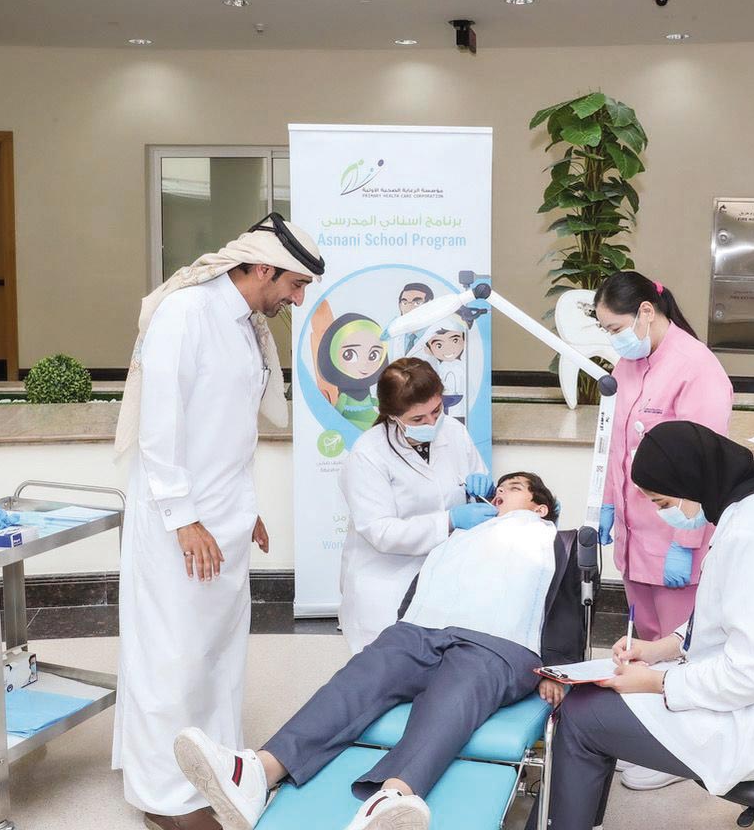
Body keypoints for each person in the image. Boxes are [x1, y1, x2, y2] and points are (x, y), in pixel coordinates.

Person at [173, 473, 584, 830]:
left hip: (497, 643)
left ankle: (392, 800)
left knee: (453, 698)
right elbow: (422, 590)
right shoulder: (462, 533)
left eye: (512, 489)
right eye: (496, 490)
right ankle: (257, 772)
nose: (498, 495)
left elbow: (566, 607)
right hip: (421, 630)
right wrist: (403, 633)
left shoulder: (553, 539)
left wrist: (560, 671)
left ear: (541, 507)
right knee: (360, 678)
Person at [111, 213, 324, 830]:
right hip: (178, 517)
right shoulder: (187, 313)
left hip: (223, 512)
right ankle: (163, 798)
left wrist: (242, 508)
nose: (297, 297)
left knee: (217, 654)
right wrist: (184, 518)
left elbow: (224, 426)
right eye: (294, 283)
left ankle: (216, 776)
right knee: (171, 656)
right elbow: (162, 424)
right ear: (261, 267)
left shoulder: (247, 325)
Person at [539, 421, 754, 830]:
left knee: (581, 718)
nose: (663, 513)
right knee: (589, 707)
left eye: (664, 502)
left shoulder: (752, 535)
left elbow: (753, 671)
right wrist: (658, 649)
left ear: (692, 480)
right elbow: (725, 615)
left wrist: (656, 683)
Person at [591, 269, 734, 789]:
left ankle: (685, 752)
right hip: (633, 534)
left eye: (614, 327)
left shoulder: (699, 369)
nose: (613, 339)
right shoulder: (628, 361)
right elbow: (615, 445)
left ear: (646, 313)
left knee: (684, 650)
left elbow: (704, 466)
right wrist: (605, 506)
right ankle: (652, 738)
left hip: (676, 539)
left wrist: (687, 542)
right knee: (643, 643)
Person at [338, 357, 496, 653]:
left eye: (436, 410)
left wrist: (483, 488)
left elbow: (474, 479)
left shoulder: (453, 431)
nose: (432, 423)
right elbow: (381, 531)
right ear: (392, 416)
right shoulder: (368, 456)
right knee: (387, 672)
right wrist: (448, 521)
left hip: (444, 575)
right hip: (387, 581)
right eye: (418, 419)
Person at [388, 282, 434, 359]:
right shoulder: (394, 336)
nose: (409, 308)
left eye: (417, 303)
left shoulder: (439, 335)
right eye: (405, 303)